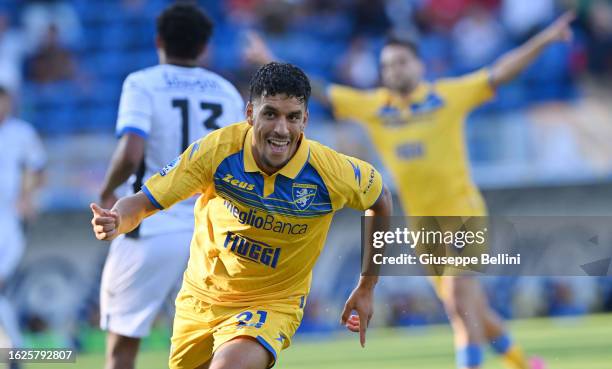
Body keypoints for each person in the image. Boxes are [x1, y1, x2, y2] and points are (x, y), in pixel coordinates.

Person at [245, 11, 575, 369]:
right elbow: (323, 92)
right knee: (470, 310)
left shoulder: (448, 96)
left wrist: (545, 39)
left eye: (401, 62)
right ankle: (526, 364)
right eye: (386, 66)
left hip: (464, 213)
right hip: (424, 227)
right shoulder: (376, 106)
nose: (393, 71)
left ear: (419, 65)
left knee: (459, 300)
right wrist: (268, 59)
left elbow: (502, 71)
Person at [91, 62, 392, 369]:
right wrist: (117, 220)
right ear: (250, 114)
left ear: (305, 121)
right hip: (201, 299)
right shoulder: (217, 151)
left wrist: (367, 285)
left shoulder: (331, 172)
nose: (281, 129)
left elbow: (381, 200)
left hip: (273, 303)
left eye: (293, 117)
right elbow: (143, 202)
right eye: (270, 113)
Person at [97, 4, 245, 369]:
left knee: (122, 347)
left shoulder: (142, 82)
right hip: (207, 234)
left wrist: (107, 191)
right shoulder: (226, 91)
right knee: (199, 349)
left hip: (148, 226)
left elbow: (131, 153)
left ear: (159, 40)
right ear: (205, 46)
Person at [0, 85, 46, 368]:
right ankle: (15, 350)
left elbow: (36, 168)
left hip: (8, 219)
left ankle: (15, 350)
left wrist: (26, 197)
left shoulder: (21, 133)